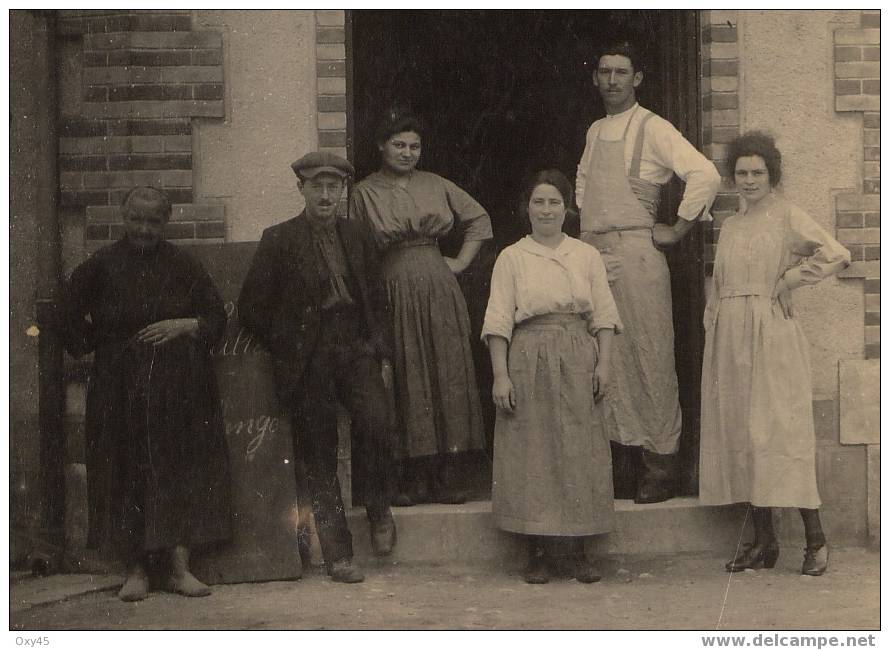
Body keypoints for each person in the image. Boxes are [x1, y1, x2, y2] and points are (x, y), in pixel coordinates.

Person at [60, 186, 232, 602]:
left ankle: (178, 569)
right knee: (125, 471)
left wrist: (184, 325)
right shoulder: (101, 265)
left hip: (180, 388)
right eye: (136, 219)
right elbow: (64, 314)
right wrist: (97, 343)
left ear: (166, 221)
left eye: (153, 221)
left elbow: (216, 317)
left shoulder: (184, 264)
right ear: (123, 216)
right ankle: (135, 570)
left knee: (180, 469)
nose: (144, 228)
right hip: (120, 389)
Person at [238, 152, 397, 584]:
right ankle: (339, 555)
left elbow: (378, 299)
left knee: (377, 422)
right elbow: (251, 308)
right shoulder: (279, 239)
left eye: (334, 187)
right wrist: (291, 342)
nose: (326, 195)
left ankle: (379, 506)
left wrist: (377, 348)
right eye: (317, 187)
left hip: (355, 348)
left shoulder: (358, 234)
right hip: (309, 359)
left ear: (343, 190)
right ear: (302, 190)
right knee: (318, 452)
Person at [575, 38, 721, 504]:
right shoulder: (596, 130)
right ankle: (622, 459)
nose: (612, 80)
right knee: (605, 358)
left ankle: (661, 464)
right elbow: (582, 188)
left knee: (649, 356)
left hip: (638, 253)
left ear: (637, 78)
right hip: (596, 255)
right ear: (595, 77)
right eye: (604, 71)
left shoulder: (653, 128)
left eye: (621, 72)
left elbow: (705, 174)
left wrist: (677, 230)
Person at [699, 132, 850, 576]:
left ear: (772, 175)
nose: (748, 180)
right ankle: (764, 543)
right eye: (741, 173)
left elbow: (836, 253)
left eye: (757, 173)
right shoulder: (731, 225)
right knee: (744, 434)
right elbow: (720, 283)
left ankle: (815, 541)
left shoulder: (787, 216)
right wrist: (715, 322)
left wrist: (789, 281)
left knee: (782, 433)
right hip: (731, 336)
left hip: (771, 335)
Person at [482, 170, 622, 584]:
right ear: (527, 208)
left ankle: (579, 550)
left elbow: (604, 316)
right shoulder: (512, 257)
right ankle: (537, 552)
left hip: (578, 352)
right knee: (533, 450)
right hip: (528, 353)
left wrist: (604, 364)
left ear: (567, 208)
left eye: (554, 202)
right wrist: (500, 376)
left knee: (580, 447)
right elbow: (498, 320)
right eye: (538, 202)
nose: (546, 210)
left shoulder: (585, 255)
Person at [350, 110, 493, 506]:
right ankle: (410, 476)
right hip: (392, 288)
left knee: (445, 371)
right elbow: (355, 246)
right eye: (399, 144)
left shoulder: (436, 184)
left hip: (438, 285)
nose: (407, 152)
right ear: (381, 146)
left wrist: (461, 262)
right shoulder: (363, 193)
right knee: (405, 375)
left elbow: (479, 219)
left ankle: (447, 474)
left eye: (414, 146)